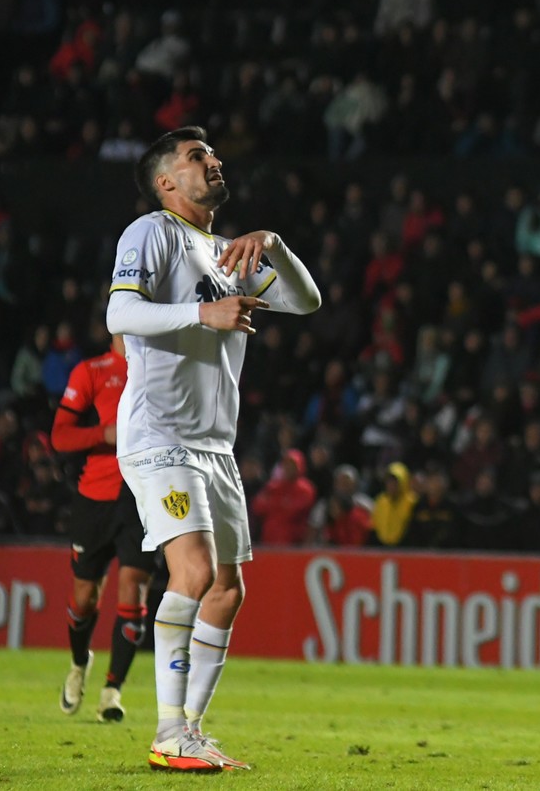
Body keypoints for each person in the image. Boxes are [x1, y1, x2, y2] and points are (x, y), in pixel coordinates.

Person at [107, 126, 321, 771]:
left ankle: (192, 730)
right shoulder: (152, 232)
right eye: (197, 156)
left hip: (215, 446)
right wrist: (203, 315)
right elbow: (121, 317)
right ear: (167, 182)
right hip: (158, 433)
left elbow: (307, 303)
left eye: (213, 153)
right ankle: (168, 731)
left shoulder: (230, 250)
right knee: (194, 573)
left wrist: (275, 247)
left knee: (228, 588)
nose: (213, 161)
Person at [50, 332, 150, 723]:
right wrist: (102, 435)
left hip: (141, 495)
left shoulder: (160, 365)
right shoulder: (93, 371)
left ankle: (112, 691)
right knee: (84, 599)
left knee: (133, 591)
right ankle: (79, 664)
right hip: (95, 498)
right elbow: (60, 436)